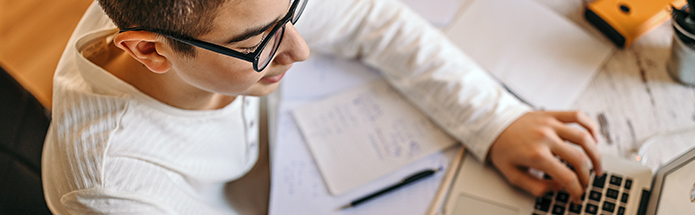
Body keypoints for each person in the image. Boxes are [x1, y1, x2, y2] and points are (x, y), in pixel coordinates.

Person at [41, 0, 603, 214]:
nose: (299, 47)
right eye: (260, 44)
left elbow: (366, 18)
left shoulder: (239, 9)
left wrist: (492, 118)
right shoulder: (110, 188)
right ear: (148, 51)